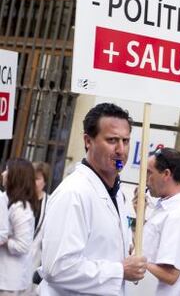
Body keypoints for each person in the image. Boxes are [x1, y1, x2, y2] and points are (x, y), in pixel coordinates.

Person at [39, 103, 147, 295]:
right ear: (88, 141)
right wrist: (120, 270)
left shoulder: (117, 194)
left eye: (126, 140)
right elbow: (57, 267)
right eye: (112, 140)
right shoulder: (74, 192)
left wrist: (124, 249)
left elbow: (98, 246)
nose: (121, 150)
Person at [142, 146, 180, 296]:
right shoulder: (168, 206)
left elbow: (170, 275)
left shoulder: (179, 215)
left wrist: (137, 262)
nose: (145, 179)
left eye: (149, 172)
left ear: (166, 174)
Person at [0, 158, 39, 295]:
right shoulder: (7, 199)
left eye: (7, 171)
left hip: (10, 282)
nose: (3, 174)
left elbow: (23, 246)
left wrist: (5, 241)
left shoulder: (21, 208)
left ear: (16, 176)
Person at [23, 162, 51, 295]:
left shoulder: (50, 203)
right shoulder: (22, 199)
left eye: (37, 179)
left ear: (45, 181)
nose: (34, 182)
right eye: (32, 178)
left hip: (35, 257)